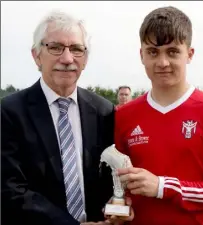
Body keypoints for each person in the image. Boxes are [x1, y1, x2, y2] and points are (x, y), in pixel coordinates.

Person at [1, 11, 132, 225]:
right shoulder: (9, 112)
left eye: (77, 49)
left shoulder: (103, 111)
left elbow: (109, 179)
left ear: (86, 59)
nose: (67, 58)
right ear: (36, 55)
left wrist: (117, 209)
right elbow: (9, 188)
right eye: (55, 47)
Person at [115, 6, 203, 225]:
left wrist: (163, 187)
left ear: (189, 54)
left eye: (172, 51)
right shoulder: (124, 115)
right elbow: (115, 181)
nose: (162, 63)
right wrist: (118, 207)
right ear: (142, 55)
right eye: (153, 52)